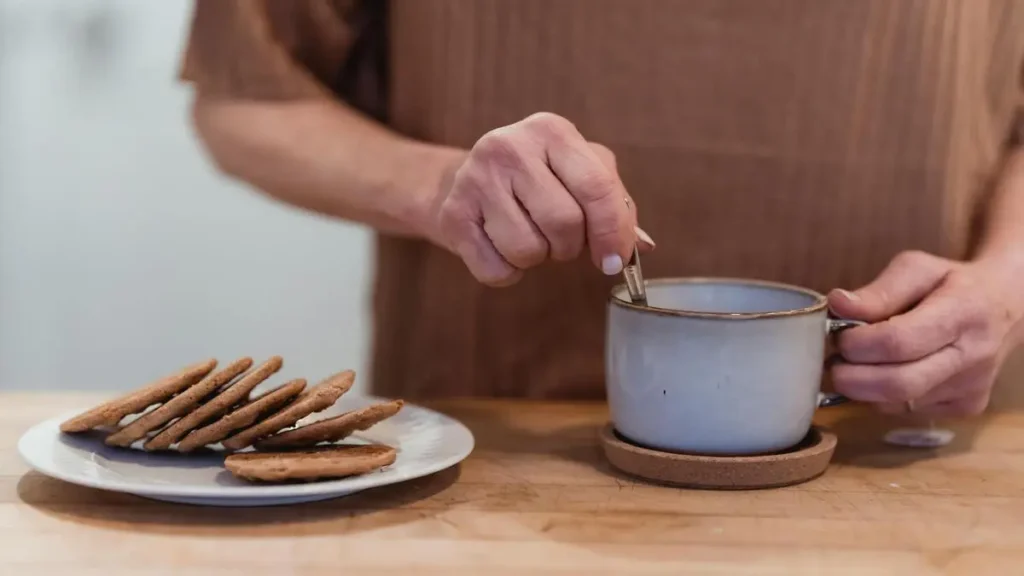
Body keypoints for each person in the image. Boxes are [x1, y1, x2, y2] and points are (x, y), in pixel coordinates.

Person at [180, 0, 1024, 417]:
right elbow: (245, 95)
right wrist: (438, 189)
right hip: (496, 466)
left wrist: (1006, 283)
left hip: (920, 462)